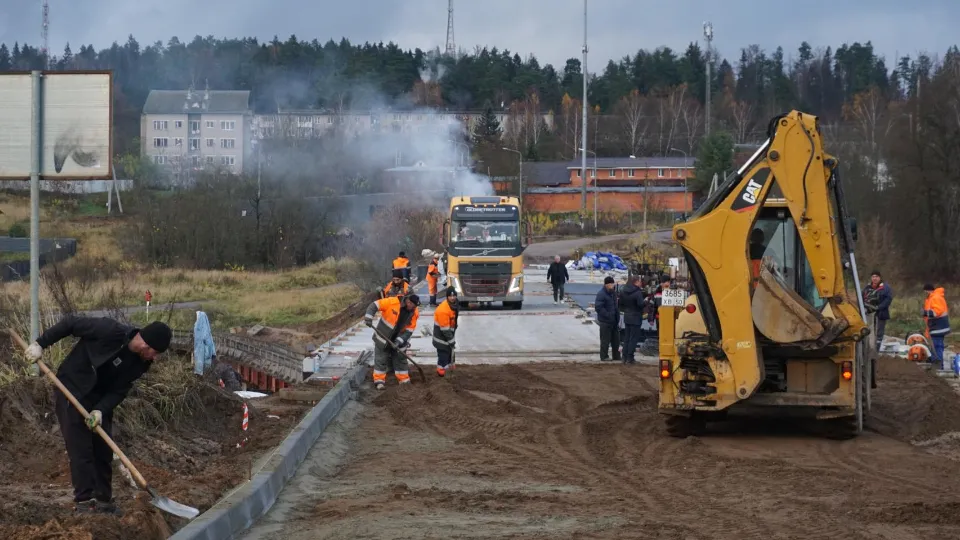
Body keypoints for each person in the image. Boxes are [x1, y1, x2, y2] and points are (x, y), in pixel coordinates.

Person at [24, 316, 172, 515]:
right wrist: (40, 344)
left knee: (103, 451)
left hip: (99, 401)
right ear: (147, 344)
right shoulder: (109, 330)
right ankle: (84, 502)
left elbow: (120, 390)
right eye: (156, 353)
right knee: (81, 450)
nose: (155, 358)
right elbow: (71, 324)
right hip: (72, 389)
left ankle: (103, 501)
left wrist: (101, 409)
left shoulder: (140, 364)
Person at [364, 293, 421, 389]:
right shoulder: (392, 302)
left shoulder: (414, 313)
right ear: (408, 301)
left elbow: (409, 331)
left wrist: (398, 341)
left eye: (414, 306)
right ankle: (379, 381)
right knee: (381, 359)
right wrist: (368, 318)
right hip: (383, 338)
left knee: (401, 359)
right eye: (412, 305)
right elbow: (374, 305)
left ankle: (404, 380)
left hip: (399, 339)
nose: (412, 308)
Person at [862, 270, 893, 387]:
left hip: (880, 314)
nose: (874, 278)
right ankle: (868, 349)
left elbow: (888, 300)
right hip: (868, 314)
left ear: (880, 278)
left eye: (876, 276)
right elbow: (862, 298)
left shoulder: (885, 288)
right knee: (868, 333)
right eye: (873, 276)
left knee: (879, 334)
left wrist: (878, 307)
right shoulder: (867, 288)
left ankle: (876, 351)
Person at [619, 274, 647, 364]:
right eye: (640, 281)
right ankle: (630, 358)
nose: (641, 283)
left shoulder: (623, 291)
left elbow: (620, 304)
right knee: (633, 338)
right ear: (636, 282)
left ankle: (624, 357)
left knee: (627, 338)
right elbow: (640, 304)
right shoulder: (637, 292)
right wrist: (646, 301)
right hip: (636, 317)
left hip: (627, 317)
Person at [432, 287, 460, 377]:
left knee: (450, 354)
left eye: (454, 296)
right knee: (443, 356)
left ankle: (449, 370)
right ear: (447, 297)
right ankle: (441, 373)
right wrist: (452, 341)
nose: (452, 298)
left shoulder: (454, 305)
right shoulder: (443, 310)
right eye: (450, 296)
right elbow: (445, 329)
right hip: (441, 339)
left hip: (448, 336)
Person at [922, 284, 951, 368]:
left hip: (938, 326)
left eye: (925, 291)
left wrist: (925, 313)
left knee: (937, 346)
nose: (925, 293)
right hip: (937, 326)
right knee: (936, 346)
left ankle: (938, 366)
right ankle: (936, 363)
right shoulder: (933, 297)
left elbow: (937, 311)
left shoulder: (935, 298)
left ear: (928, 290)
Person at [594, 276, 621, 362]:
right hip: (605, 321)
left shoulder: (613, 293)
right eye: (611, 284)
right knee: (605, 340)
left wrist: (617, 316)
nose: (612, 285)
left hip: (614, 321)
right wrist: (608, 315)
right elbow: (598, 307)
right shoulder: (601, 294)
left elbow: (615, 306)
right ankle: (604, 356)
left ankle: (616, 356)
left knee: (616, 340)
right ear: (606, 284)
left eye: (613, 283)